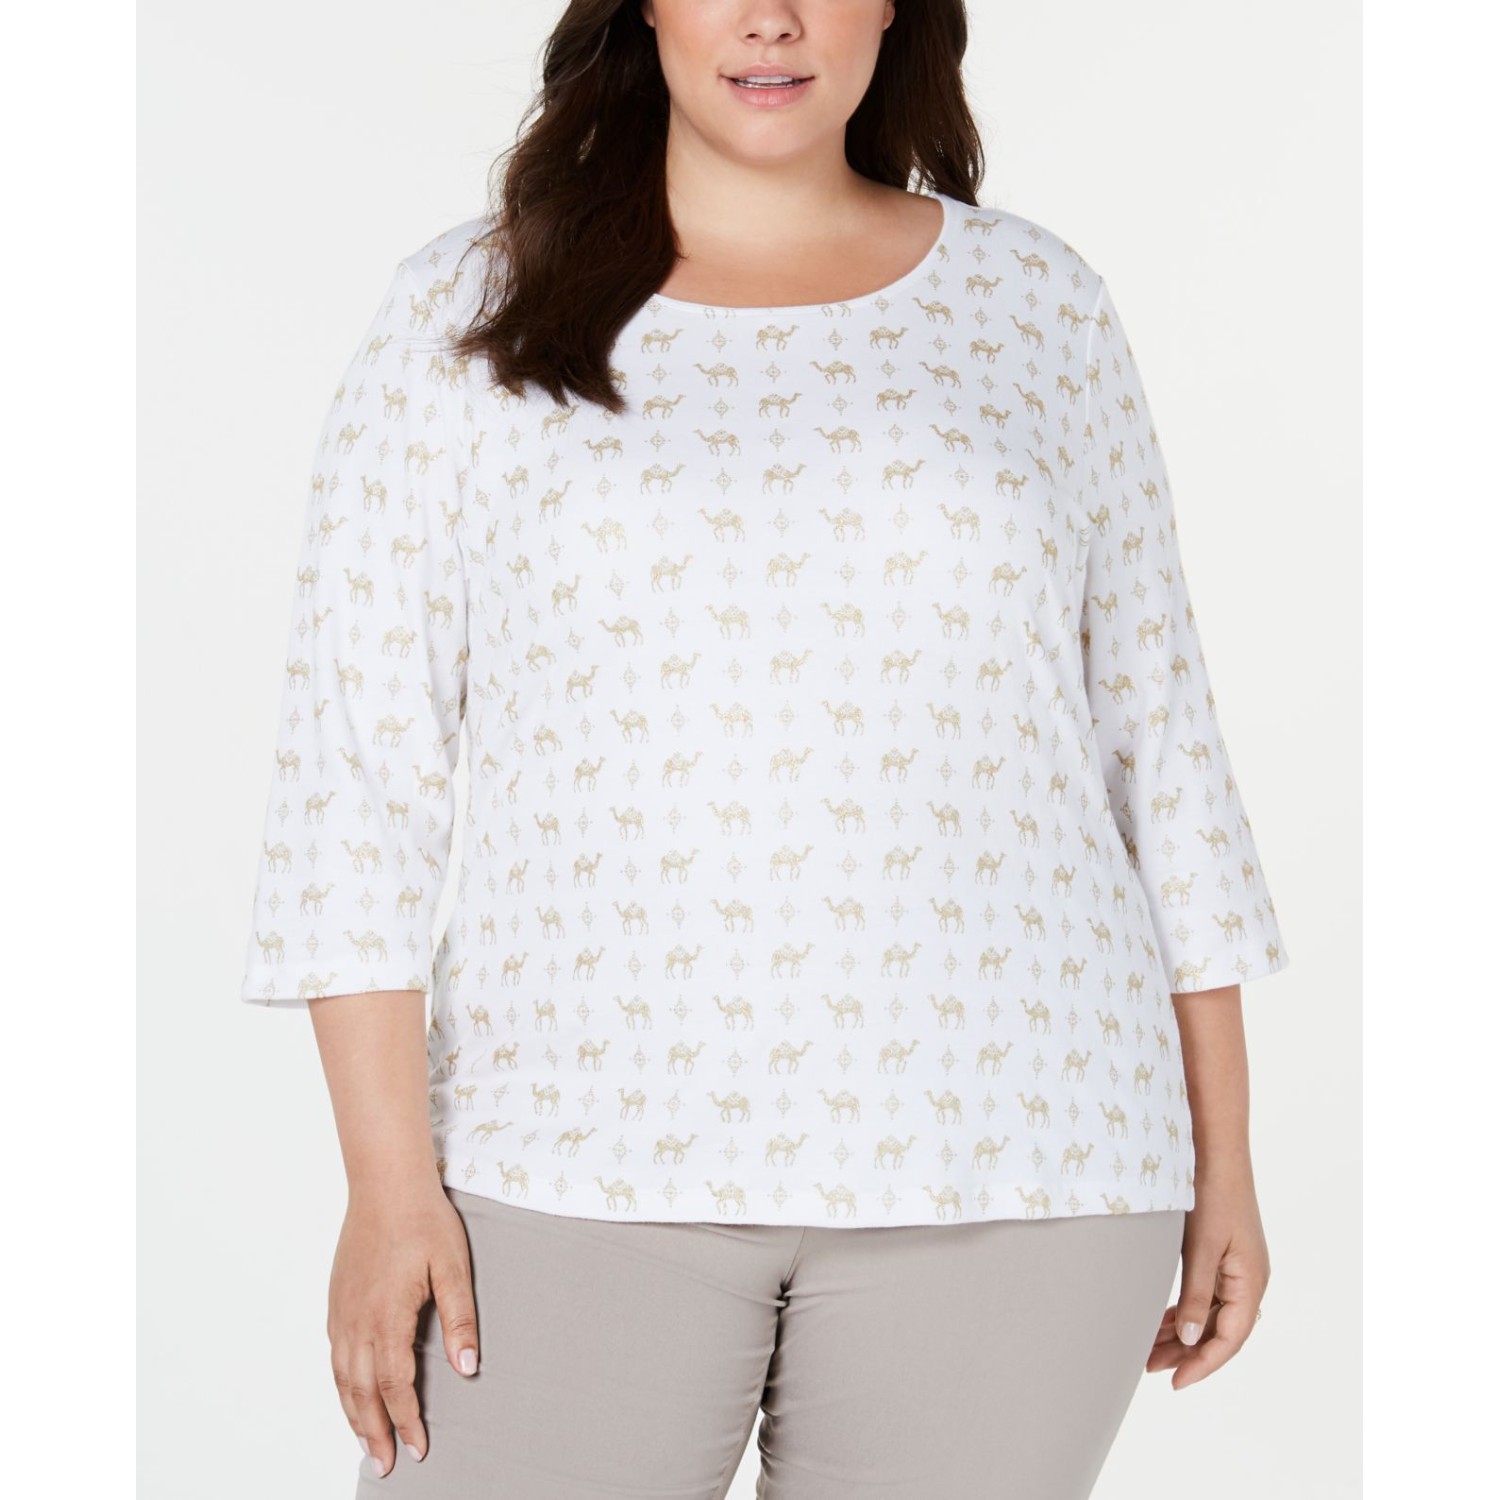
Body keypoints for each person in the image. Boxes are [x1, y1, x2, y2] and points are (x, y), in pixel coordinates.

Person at [239, 2, 1290, 1495]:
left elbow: (1161, 748)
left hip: (1026, 1156)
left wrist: (1225, 1158)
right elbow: (353, 782)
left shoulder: (1036, 305)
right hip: (559, 1159)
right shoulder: (465, 309)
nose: (772, 18)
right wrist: (385, 1183)